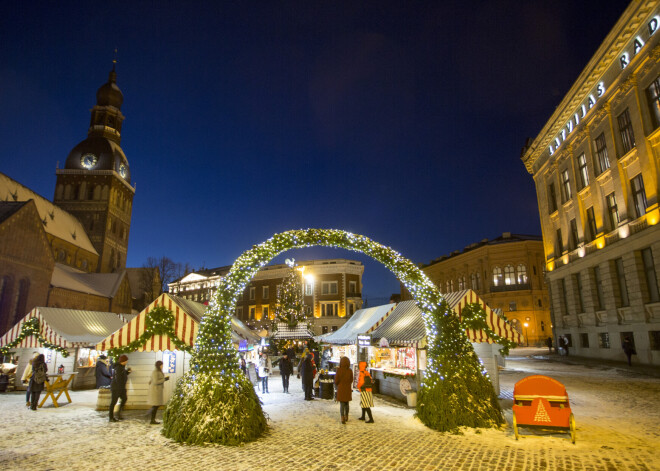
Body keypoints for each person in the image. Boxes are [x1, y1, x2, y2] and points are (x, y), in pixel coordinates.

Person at [109, 354, 131, 422]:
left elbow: (122, 375)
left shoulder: (122, 367)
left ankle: (118, 414)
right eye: (126, 360)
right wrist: (120, 387)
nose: (127, 361)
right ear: (123, 361)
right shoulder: (118, 368)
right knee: (113, 402)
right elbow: (118, 378)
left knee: (124, 398)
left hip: (121, 387)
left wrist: (127, 372)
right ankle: (111, 417)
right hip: (116, 388)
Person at [147, 360, 169, 424]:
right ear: (159, 365)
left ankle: (151, 418)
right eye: (161, 365)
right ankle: (151, 418)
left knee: (156, 405)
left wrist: (164, 379)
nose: (162, 366)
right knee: (156, 405)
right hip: (155, 391)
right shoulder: (155, 372)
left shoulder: (158, 371)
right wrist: (164, 379)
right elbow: (155, 381)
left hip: (157, 390)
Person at [334, 356, 353, 424]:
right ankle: (346, 416)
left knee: (342, 404)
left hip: (341, 388)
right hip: (347, 388)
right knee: (347, 403)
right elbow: (351, 380)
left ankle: (342, 418)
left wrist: (338, 384)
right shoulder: (350, 370)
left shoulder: (339, 370)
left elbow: (336, 380)